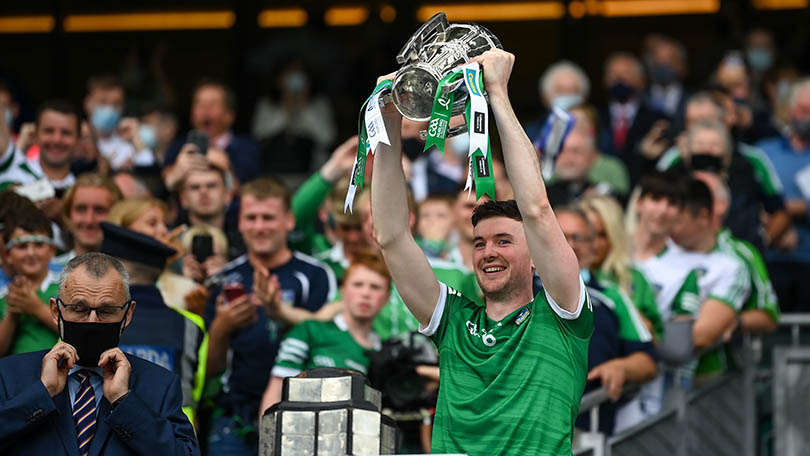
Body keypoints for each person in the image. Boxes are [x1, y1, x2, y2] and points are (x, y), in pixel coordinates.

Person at [371, 49, 593, 455]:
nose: (488, 252)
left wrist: (498, 95)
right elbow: (391, 236)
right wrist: (388, 118)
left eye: (504, 241)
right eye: (479, 243)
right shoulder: (452, 321)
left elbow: (539, 211)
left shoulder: (563, 315)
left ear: (534, 257)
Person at [0, 252, 199, 455]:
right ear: (55, 311)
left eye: (106, 310)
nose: (92, 321)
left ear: (128, 314)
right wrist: (41, 393)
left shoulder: (159, 385)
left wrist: (124, 402)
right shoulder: (9, 376)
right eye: (79, 308)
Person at [203, 176, 336, 455]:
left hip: (302, 413)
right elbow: (211, 369)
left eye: (268, 217)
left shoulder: (316, 275)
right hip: (234, 414)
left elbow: (326, 343)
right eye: (251, 217)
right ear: (239, 222)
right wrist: (221, 328)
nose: (259, 227)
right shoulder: (223, 280)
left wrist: (279, 314)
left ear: (289, 221)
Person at [555, 208, 656, 436]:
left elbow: (648, 360)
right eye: (561, 236)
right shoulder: (524, 290)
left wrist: (622, 367)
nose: (570, 245)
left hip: (591, 431)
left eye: (579, 238)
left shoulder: (612, 296)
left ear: (593, 247)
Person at [99, 222, 208, 428]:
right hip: (174, 441)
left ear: (117, 274)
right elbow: (198, 389)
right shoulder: (192, 325)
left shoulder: (84, 320)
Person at [259, 252, 390, 416]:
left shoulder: (386, 351)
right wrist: (268, 438)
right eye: (357, 284)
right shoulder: (310, 330)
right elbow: (277, 389)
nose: (365, 293)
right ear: (342, 290)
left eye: (375, 287)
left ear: (387, 297)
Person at [655, 92, 790, 251]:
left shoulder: (752, 160)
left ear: (724, 121)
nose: (698, 127)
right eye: (691, 121)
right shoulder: (674, 160)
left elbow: (779, 210)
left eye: (706, 120)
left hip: (740, 250)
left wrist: (759, 244)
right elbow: (653, 203)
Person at [694, 171, 779, 333]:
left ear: (721, 204)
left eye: (700, 195)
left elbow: (770, 315)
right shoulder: (663, 248)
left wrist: (730, 321)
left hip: (722, 354)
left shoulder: (741, 254)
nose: (690, 203)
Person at [757, 78, 810, 312]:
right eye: (803, 110)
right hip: (770, 258)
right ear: (790, 111)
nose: (806, 117)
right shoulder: (763, 151)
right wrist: (775, 221)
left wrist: (794, 209)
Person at [578, 195, 663, 339]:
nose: (594, 243)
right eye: (587, 235)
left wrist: (624, 311)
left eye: (602, 235)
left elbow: (654, 340)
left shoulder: (633, 278)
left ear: (614, 236)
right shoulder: (556, 276)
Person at [163, 79, 260, 186]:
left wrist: (225, 169)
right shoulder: (178, 147)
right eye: (199, 103)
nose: (205, 110)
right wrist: (176, 172)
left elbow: (247, 192)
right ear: (192, 114)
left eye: (213, 104)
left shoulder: (246, 148)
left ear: (229, 116)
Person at [598, 52, 668, 185]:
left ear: (642, 80)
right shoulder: (596, 117)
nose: (619, 78)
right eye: (613, 73)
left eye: (626, 73)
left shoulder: (657, 120)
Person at [0, 210, 60, 356]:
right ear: (7, 255)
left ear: (52, 250)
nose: (31, 253)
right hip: (15, 374)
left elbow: (77, 332)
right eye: (22, 246)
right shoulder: (4, 296)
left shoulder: (67, 287)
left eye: (39, 245)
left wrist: (37, 308)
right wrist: (12, 313)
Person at [83, 74, 154, 171]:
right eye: (103, 102)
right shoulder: (75, 140)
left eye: (116, 103)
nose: (110, 109)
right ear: (87, 103)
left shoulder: (128, 143)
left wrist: (136, 140)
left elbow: (149, 169)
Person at [54, 173, 123, 265]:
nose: (89, 220)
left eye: (100, 210)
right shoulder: (47, 273)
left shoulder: (132, 275)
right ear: (68, 216)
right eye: (81, 209)